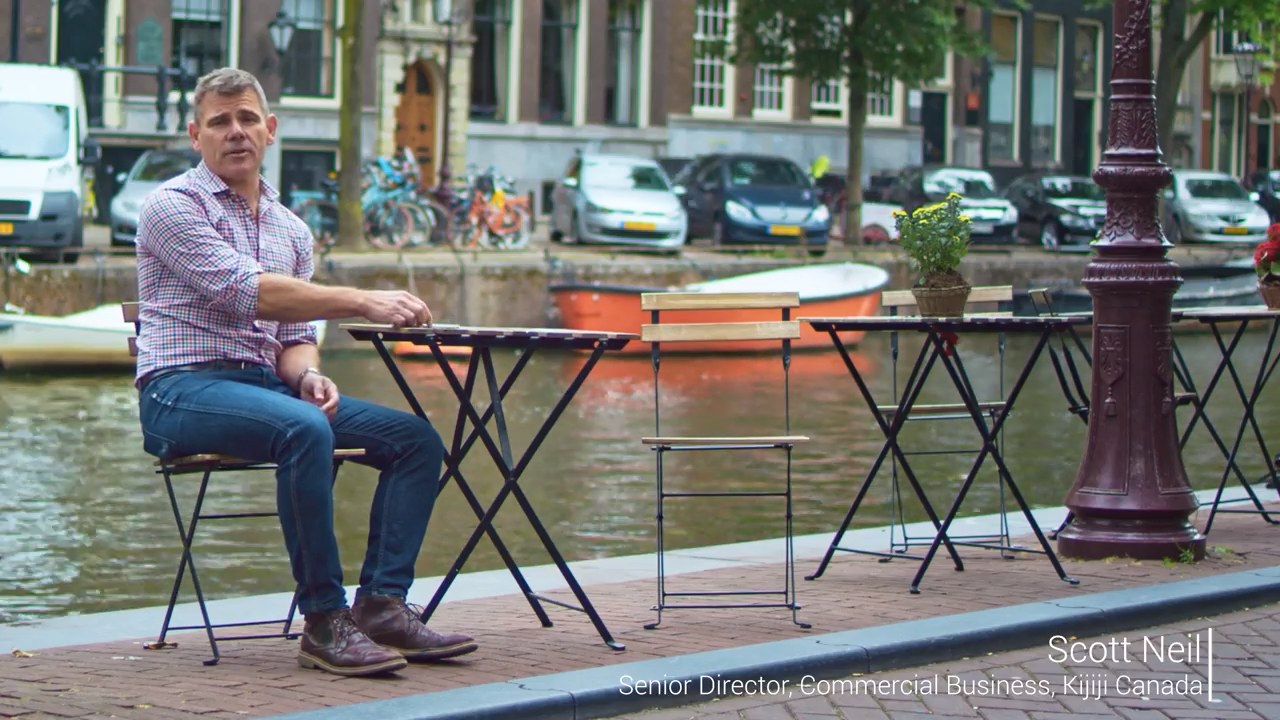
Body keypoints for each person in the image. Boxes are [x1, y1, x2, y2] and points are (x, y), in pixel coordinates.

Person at [132, 67, 476, 677]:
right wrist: (364, 301)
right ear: (195, 135)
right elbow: (248, 292)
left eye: (246, 119)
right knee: (304, 430)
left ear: (270, 130)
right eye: (219, 122)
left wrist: (307, 375)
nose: (235, 132)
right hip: (179, 392)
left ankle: (381, 607)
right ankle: (323, 621)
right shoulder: (170, 207)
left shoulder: (290, 228)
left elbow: (292, 338)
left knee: (416, 441)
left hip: (265, 390)